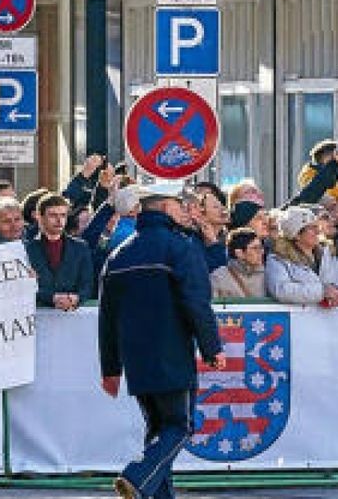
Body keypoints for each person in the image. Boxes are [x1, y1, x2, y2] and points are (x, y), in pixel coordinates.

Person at [99, 187, 224, 499]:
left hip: (136, 359)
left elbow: (107, 318)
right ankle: (137, 476)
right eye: (181, 205)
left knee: (158, 431)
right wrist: (212, 348)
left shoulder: (118, 254)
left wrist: (110, 368)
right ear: (167, 207)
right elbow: (197, 302)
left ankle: (152, 491)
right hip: (172, 353)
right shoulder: (180, 247)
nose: (186, 210)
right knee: (179, 427)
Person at [265, 206, 338, 307]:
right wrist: (322, 292)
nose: (318, 231)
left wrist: (337, 290)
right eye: (311, 228)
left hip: (331, 320)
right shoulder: (278, 258)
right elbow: (281, 290)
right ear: (296, 234)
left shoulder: (328, 253)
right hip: (298, 320)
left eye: (317, 227)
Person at [26, 194, 94, 310]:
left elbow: (87, 285)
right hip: (38, 316)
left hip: (72, 316)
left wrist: (76, 298)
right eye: (53, 215)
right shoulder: (26, 249)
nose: (59, 220)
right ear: (40, 217)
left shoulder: (81, 247)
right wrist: (52, 298)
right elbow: (24, 288)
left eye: (63, 215)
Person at [209, 228, 267, 299]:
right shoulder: (218, 278)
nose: (261, 252)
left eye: (261, 247)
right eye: (255, 248)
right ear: (239, 253)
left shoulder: (267, 276)